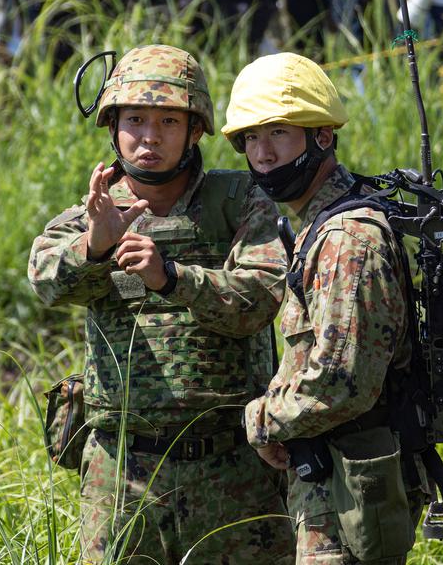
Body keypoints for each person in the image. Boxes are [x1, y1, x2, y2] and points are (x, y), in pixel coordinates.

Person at [28, 44, 294, 564]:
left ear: (196, 129)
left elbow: (263, 298)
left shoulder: (240, 201)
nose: (150, 136)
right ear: (113, 125)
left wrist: (172, 279)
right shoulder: (92, 213)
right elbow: (46, 282)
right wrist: (95, 246)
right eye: (136, 119)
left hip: (231, 465)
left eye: (169, 121)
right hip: (121, 470)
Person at [222, 52, 424, 564]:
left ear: (323, 136)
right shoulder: (320, 224)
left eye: (279, 134)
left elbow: (341, 382)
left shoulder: (345, 240)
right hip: (331, 479)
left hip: (349, 490)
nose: (262, 154)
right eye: (250, 138)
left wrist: (263, 420)